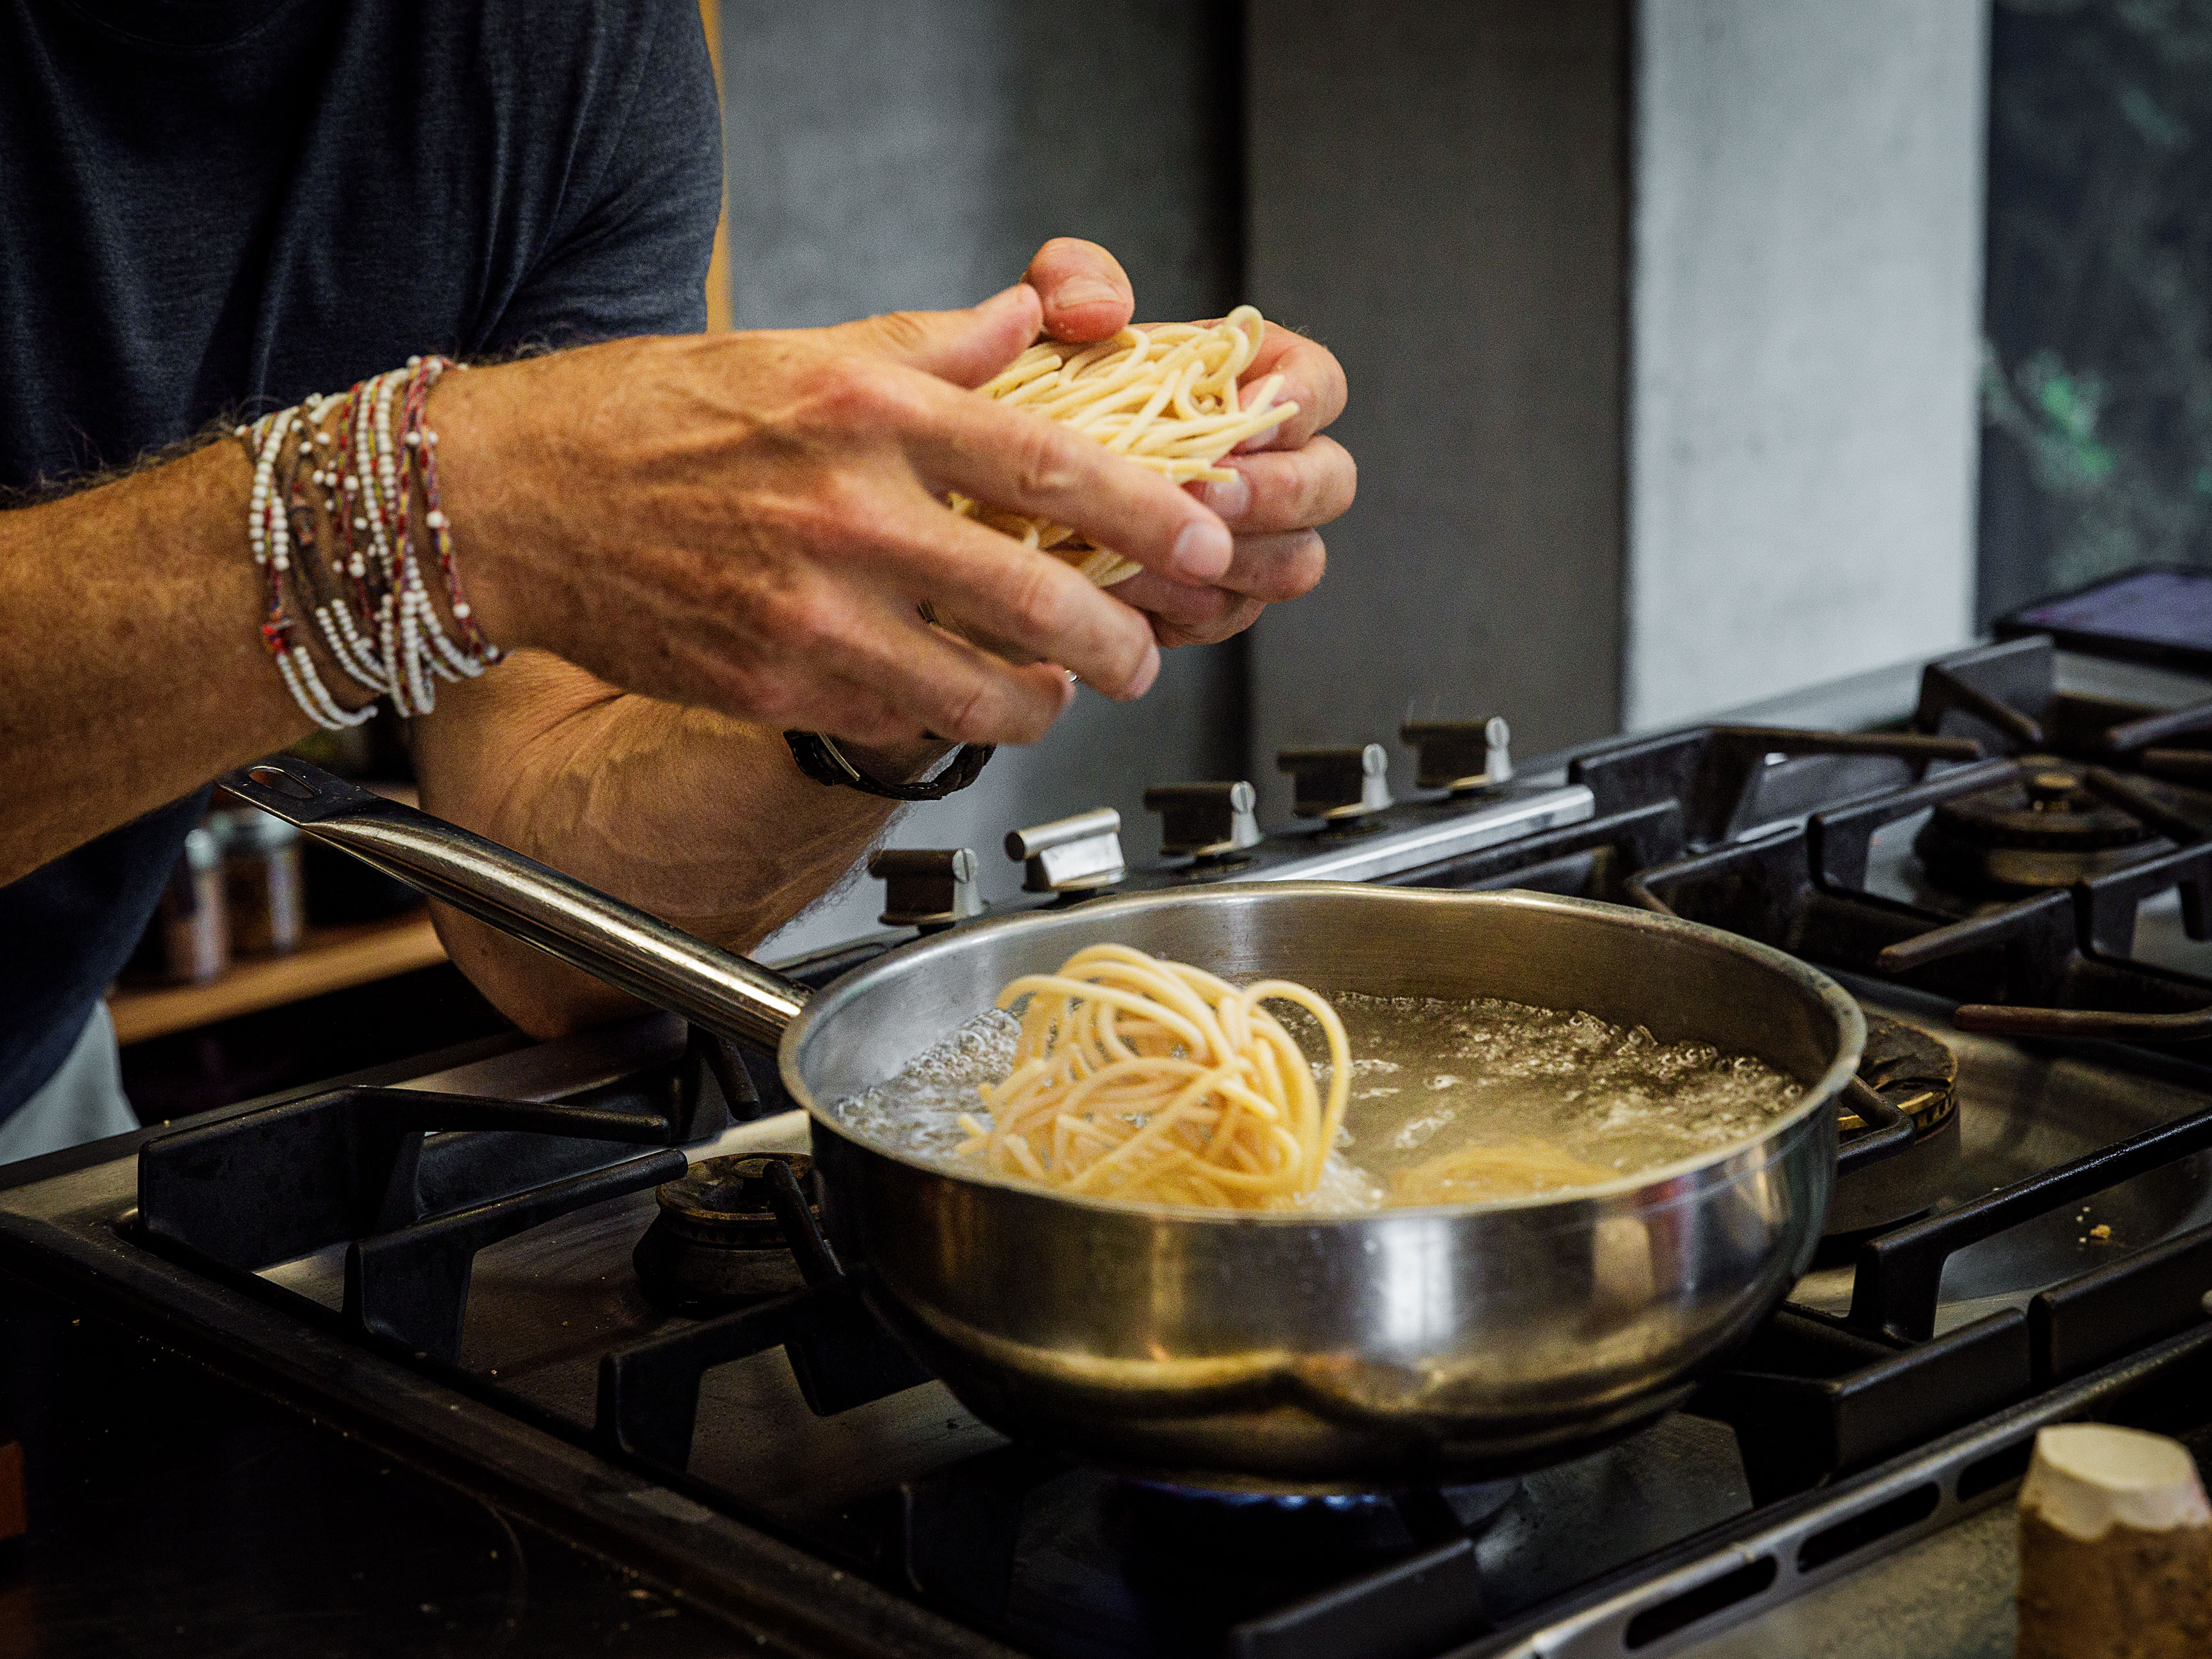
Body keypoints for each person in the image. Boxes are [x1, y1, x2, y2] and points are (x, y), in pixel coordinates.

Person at [0, 0, 1354, 1162]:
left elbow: (541, 920)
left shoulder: (568, 40)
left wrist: (935, 602)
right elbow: (470, 508)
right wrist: (443, 505)